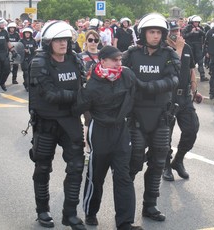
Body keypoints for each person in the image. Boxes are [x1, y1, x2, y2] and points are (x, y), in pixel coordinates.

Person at [73, 46, 142, 230]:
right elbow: (78, 107)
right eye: (115, 60)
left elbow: (138, 92)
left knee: (123, 176)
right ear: (103, 61)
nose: (119, 63)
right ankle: (90, 211)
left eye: (120, 59)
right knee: (96, 175)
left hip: (120, 131)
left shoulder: (127, 75)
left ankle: (125, 222)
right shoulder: (92, 84)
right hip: (100, 132)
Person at [28, 20, 86, 230]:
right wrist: (79, 96)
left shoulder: (75, 59)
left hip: (70, 121)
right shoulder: (39, 62)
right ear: (48, 42)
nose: (63, 43)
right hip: (47, 123)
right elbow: (50, 94)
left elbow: (84, 84)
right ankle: (42, 210)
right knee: (42, 167)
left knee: (77, 167)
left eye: (66, 39)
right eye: (58, 40)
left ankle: (70, 214)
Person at [122, 13, 180, 221]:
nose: (155, 36)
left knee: (158, 162)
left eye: (158, 32)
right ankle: (125, 209)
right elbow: (118, 74)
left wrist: (147, 86)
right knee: (134, 162)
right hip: (135, 116)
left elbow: (173, 79)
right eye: (151, 32)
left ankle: (150, 205)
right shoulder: (130, 54)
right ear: (143, 33)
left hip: (160, 117)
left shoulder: (170, 55)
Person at [162, 20, 201, 181]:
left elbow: (191, 69)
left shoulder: (186, 47)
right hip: (168, 97)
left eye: (178, 30)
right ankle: (165, 165)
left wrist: (195, 90)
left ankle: (178, 160)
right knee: (166, 135)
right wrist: (177, 48)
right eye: (173, 30)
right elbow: (172, 67)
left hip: (184, 96)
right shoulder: (163, 50)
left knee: (192, 129)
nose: (176, 33)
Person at [77, 30, 100, 162]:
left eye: (95, 40)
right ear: (86, 41)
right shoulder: (80, 56)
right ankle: (87, 150)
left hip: (101, 94)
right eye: (90, 40)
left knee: (98, 122)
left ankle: (96, 148)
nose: (93, 43)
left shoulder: (103, 55)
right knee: (88, 120)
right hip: (85, 92)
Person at [182, 15, 209, 82]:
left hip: (198, 47)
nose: (196, 23)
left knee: (200, 62)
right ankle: (188, 77)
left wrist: (200, 31)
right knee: (190, 62)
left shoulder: (200, 28)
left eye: (197, 22)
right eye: (195, 22)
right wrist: (191, 32)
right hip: (190, 47)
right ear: (192, 22)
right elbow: (184, 36)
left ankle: (202, 76)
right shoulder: (187, 28)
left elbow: (205, 35)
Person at [0, 17, 16, 93]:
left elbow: (8, 42)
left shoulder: (5, 32)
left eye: (3, 23)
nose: (3, 24)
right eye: (1, 23)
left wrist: (12, 51)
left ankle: (2, 82)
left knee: (7, 70)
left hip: (5, 54)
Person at [20, 27, 37, 91]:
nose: (27, 34)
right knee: (26, 72)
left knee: (31, 72)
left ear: (30, 34)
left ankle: (28, 83)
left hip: (32, 57)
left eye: (28, 33)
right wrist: (24, 50)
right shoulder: (21, 41)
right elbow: (18, 49)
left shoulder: (33, 40)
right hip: (24, 58)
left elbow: (36, 48)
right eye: (26, 33)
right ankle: (27, 85)